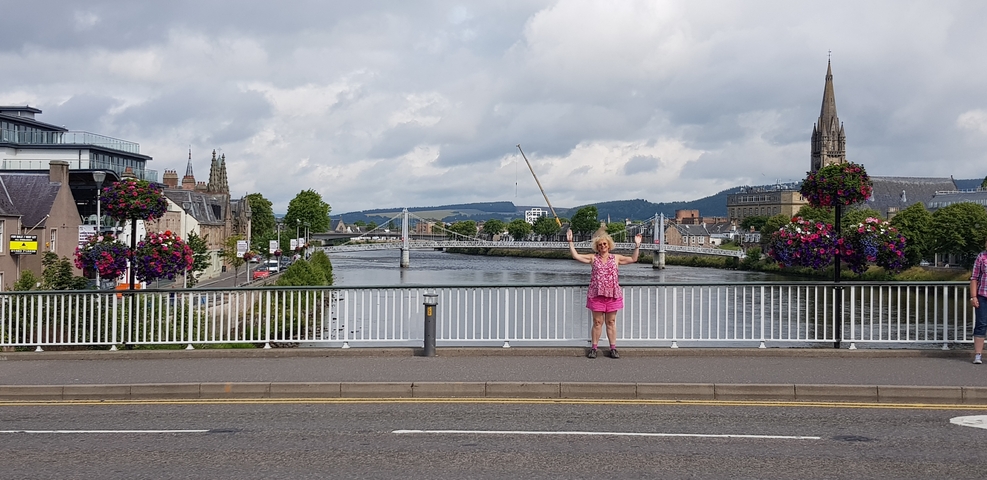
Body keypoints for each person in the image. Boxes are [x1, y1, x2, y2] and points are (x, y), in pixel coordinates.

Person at [567, 225, 642, 359]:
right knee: (597, 322)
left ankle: (613, 348)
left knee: (611, 322)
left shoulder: (616, 258)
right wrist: (571, 242)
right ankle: (594, 348)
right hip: (596, 295)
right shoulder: (593, 258)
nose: (602, 246)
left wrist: (637, 246)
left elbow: (633, 259)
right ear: (597, 247)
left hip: (613, 295)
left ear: (609, 245)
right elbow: (576, 256)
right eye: (600, 244)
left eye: (605, 244)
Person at [971, 237, 987, 364]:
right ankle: (978, 355)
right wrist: (974, 296)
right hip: (983, 295)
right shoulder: (981, 256)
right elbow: (974, 278)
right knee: (981, 325)